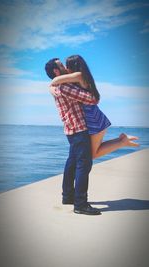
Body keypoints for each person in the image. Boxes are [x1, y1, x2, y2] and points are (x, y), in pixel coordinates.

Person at [50, 55, 139, 160]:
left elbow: (55, 80)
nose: (66, 69)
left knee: (92, 155)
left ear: (74, 67)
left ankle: (122, 142)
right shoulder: (81, 77)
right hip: (93, 118)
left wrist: (51, 87)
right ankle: (122, 141)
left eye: (67, 66)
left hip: (94, 119)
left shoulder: (79, 75)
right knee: (92, 153)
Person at [45, 58, 101, 215]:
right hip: (79, 129)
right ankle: (80, 204)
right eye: (61, 65)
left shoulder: (57, 86)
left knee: (72, 162)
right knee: (84, 165)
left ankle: (68, 196)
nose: (65, 66)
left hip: (71, 130)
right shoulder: (64, 86)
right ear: (56, 71)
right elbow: (93, 99)